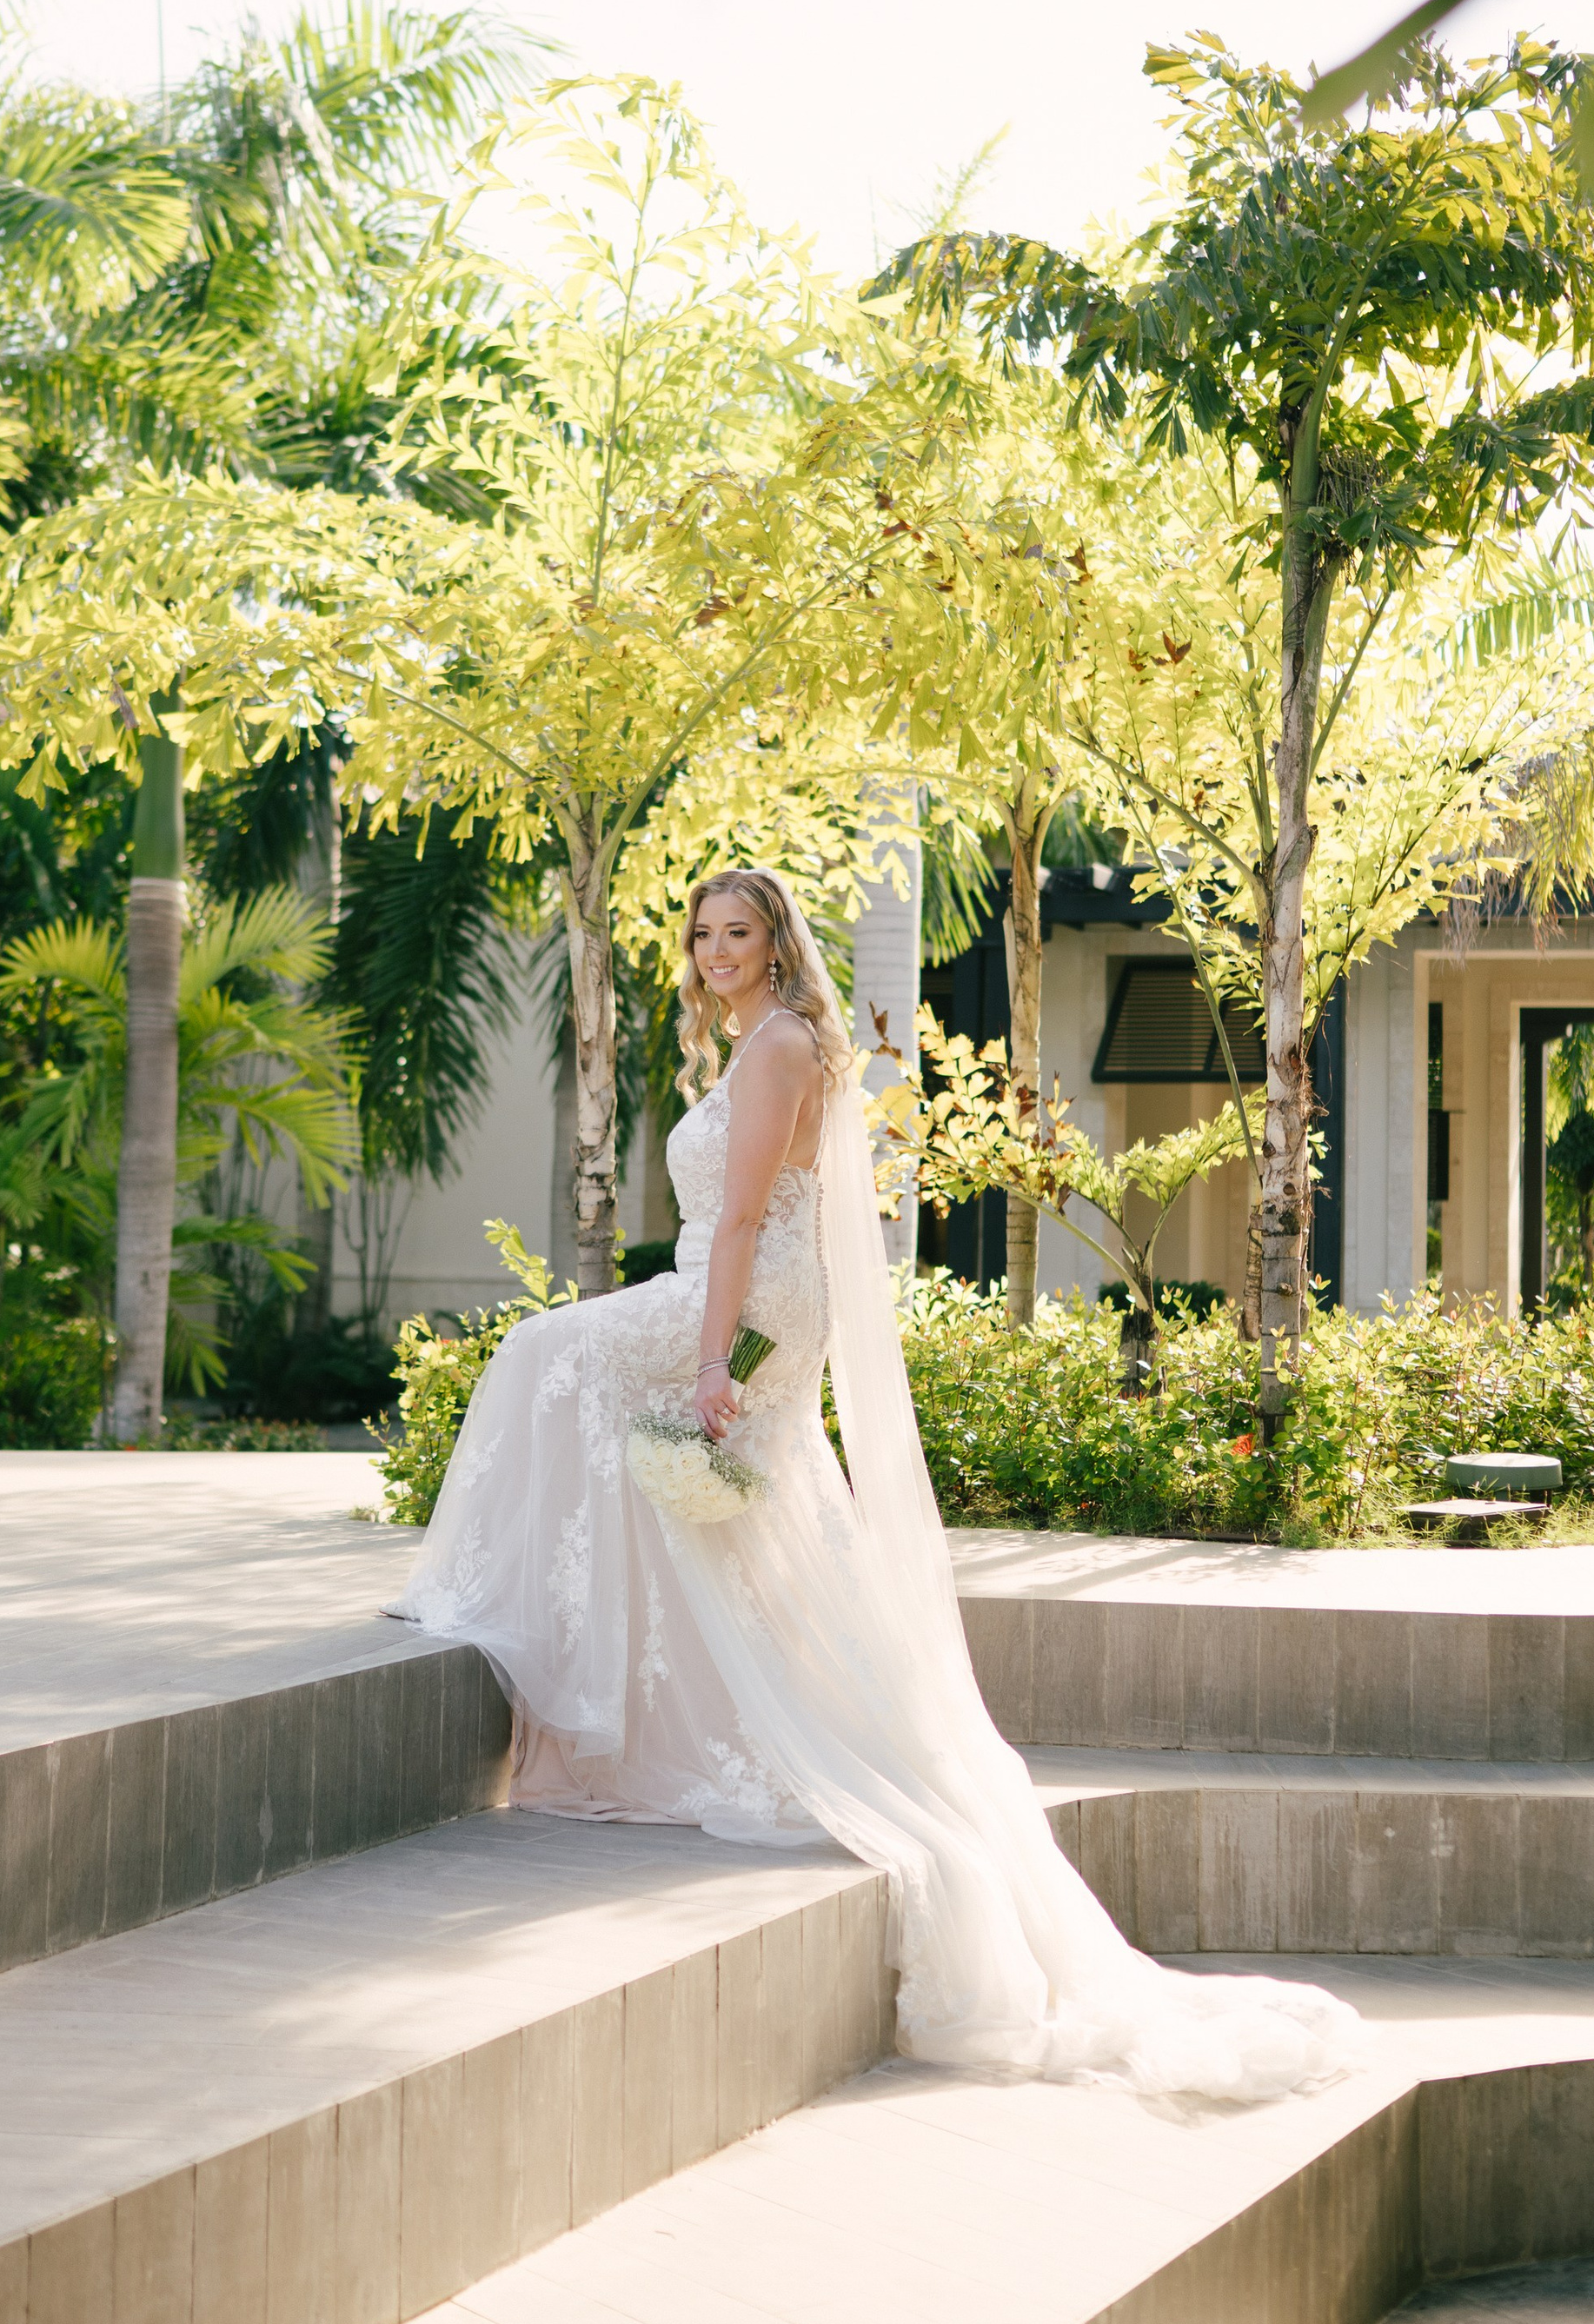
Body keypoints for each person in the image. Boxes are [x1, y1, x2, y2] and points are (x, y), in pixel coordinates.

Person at [398, 866, 1360, 2103]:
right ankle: (618, 1706)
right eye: (702, 934)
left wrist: (709, 1362)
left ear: (778, 940)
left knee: (549, 1356)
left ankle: (527, 1636)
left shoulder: (783, 1046)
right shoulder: (771, 1040)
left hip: (742, 1297)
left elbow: (742, 1221)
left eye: (737, 932)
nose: (715, 951)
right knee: (706, 1479)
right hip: (748, 1292)